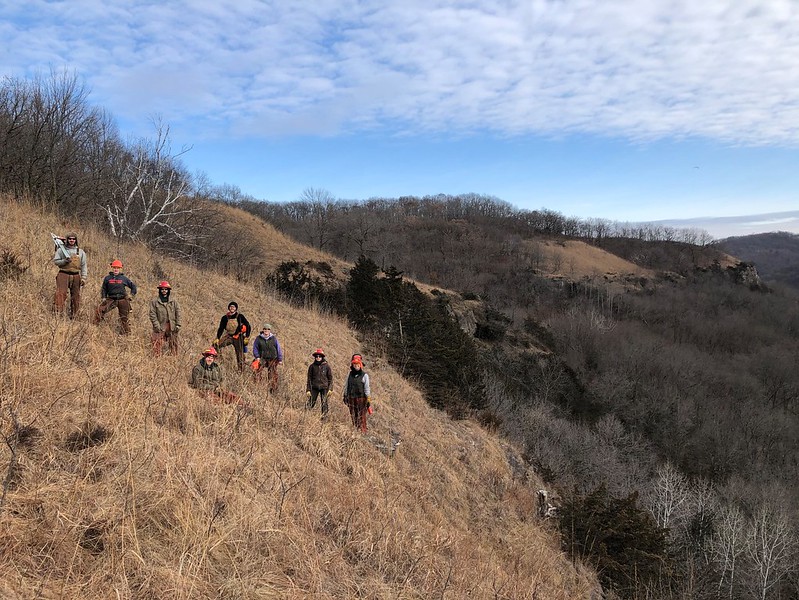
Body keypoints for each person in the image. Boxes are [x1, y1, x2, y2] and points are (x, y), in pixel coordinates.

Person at [94, 259, 137, 334]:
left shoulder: (124, 278)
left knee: (124, 318)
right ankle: (94, 328)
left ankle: (126, 334)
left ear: (120, 269)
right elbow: (104, 289)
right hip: (111, 299)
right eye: (114, 268)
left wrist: (131, 295)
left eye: (117, 268)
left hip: (122, 299)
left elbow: (133, 287)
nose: (116, 269)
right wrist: (103, 297)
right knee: (99, 310)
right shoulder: (107, 278)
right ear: (112, 268)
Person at [52, 232, 87, 318]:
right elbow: (56, 261)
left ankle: (74, 316)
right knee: (61, 294)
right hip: (63, 274)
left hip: (76, 276)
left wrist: (83, 278)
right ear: (67, 240)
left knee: (76, 297)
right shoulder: (61, 250)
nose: (72, 240)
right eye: (70, 239)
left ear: (76, 240)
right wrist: (64, 261)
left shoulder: (81, 252)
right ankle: (57, 315)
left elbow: (84, 265)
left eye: (73, 239)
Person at [213, 301, 251, 372]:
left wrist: (247, 337)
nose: (232, 308)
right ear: (228, 308)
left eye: (233, 307)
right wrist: (217, 338)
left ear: (236, 308)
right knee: (216, 345)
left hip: (238, 337)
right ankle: (219, 361)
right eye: (231, 306)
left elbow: (248, 326)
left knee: (240, 354)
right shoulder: (225, 318)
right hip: (229, 336)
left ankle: (241, 370)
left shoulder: (240, 316)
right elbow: (221, 328)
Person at [148, 280, 182, 356]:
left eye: (166, 289)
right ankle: (157, 358)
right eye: (162, 289)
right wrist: (156, 325)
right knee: (157, 342)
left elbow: (178, 313)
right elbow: (152, 314)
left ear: (168, 290)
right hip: (160, 325)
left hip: (172, 325)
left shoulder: (174, 302)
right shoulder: (155, 302)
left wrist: (178, 325)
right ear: (160, 290)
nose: (164, 291)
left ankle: (174, 357)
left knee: (173, 343)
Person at [251, 323, 283, 392]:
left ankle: (273, 390)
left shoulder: (274, 339)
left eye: (268, 329)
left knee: (272, 374)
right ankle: (257, 387)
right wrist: (257, 357)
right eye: (265, 329)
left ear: (270, 331)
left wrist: (280, 359)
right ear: (263, 330)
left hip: (272, 358)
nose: (266, 330)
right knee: (257, 371)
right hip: (262, 358)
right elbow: (255, 348)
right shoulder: (258, 338)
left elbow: (278, 348)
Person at [343, 355, 371, 432]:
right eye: (355, 365)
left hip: (361, 398)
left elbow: (367, 388)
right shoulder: (349, 374)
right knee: (353, 414)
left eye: (358, 365)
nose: (356, 366)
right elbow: (346, 385)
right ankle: (356, 429)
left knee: (361, 415)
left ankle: (363, 430)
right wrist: (345, 395)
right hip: (351, 397)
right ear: (352, 365)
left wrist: (368, 399)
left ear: (360, 365)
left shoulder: (365, 375)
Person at [306, 348, 333, 418]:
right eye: (316, 356)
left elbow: (330, 378)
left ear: (322, 357)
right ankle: (305, 416)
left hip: (324, 387)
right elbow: (309, 379)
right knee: (311, 402)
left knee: (324, 404)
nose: (318, 358)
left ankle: (324, 418)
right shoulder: (311, 367)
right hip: (314, 387)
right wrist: (308, 390)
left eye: (319, 356)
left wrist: (330, 389)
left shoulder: (327, 366)